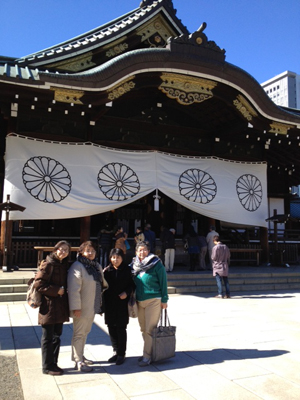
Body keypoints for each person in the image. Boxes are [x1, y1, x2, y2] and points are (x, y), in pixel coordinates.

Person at [68, 241, 108, 372]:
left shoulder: (96, 266)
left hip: (92, 305)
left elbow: (102, 283)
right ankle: (78, 361)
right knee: (79, 333)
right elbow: (74, 289)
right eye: (87, 250)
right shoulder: (77, 266)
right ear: (81, 252)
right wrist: (76, 307)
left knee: (85, 332)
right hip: (81, 306)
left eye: (92, 251)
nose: (90, 253)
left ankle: (80, 355)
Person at [34, 240, 71, 375]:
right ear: (55, 250)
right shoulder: (48, 264)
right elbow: (39, 284)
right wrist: (57, 290)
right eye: (61, 249)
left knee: (57, 336)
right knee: (48, 337)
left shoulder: (63, 265)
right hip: (48, 306)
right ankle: (47, 366)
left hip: (59, 306)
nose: (63, 252)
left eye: (66, 250)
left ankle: (53, 363)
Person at [131, 241, 168, 367]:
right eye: (139, 250)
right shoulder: (134, 265)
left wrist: (164, 299)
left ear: (148, 251)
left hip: (153, 299)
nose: (142, 252)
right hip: (139, 301)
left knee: (150, 329)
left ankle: (147, 356)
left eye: (144, 250)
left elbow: (163, 281)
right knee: (143, 329)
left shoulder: (156, 264)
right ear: (136, 252)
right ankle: (150, 351)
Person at [103, 248, 135, 365]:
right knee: (111, 328)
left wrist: (126, 293)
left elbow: (132, 285)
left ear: (122, 258)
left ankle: (122, 353)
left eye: (118, 257)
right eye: (113, 257)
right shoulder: (107, 271)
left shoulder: (127, 270)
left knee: (121, 328)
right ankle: (115, 351)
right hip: (110, 304)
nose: (115, 260)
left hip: (122, 303)